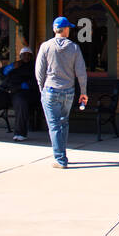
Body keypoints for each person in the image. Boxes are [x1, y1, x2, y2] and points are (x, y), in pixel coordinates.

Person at [34, 17, 88, 168]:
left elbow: (39, 71)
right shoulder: (74, 48)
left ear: (54, 29)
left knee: (54, 125)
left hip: (50, 90)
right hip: (68, 91)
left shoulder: (45, 47)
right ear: (65, 30)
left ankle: (60, 159)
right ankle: (62, 154)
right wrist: (83, 91)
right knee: (63, 123)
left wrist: (41, 89)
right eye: (69, 28)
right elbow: (81, 72)